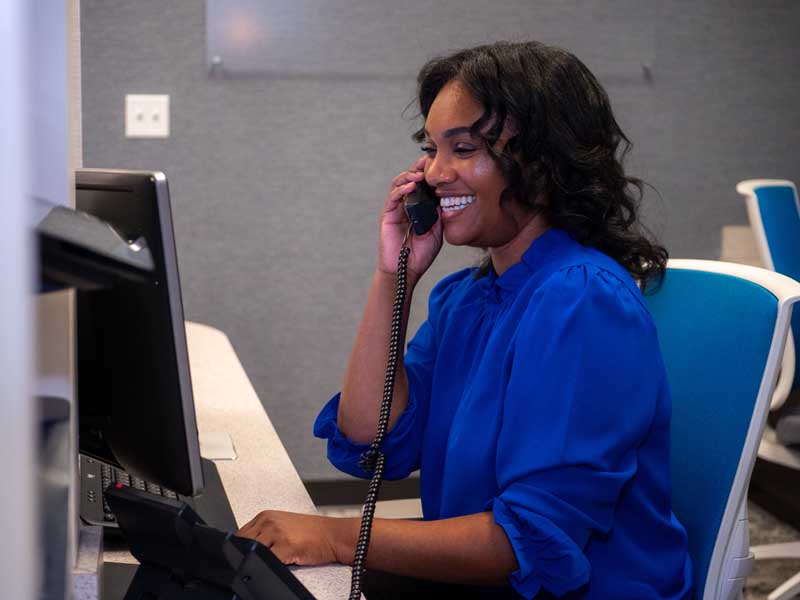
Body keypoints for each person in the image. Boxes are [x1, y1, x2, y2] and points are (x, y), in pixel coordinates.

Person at [237, 41, 693, 599]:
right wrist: (393, 276)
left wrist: (336, 537)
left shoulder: (582, 300)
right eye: (431, 149)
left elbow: (525, 542)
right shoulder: (468, 298)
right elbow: (371, 440)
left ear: (543, 163)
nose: (434, 173)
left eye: (463, 148)